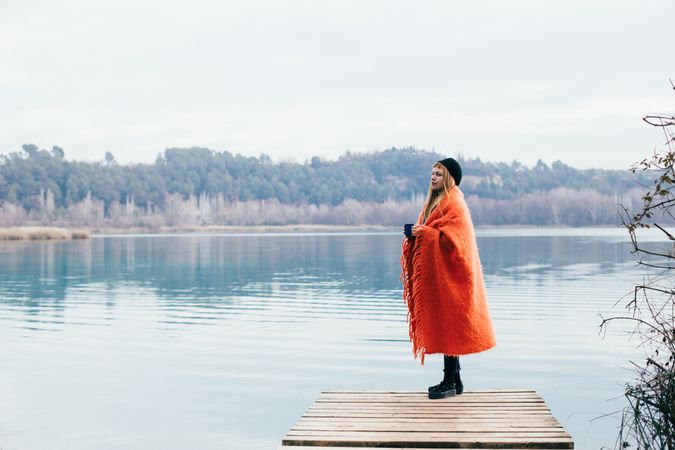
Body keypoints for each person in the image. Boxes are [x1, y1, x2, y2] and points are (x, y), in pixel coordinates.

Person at [400, 158, 496, 399]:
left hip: (457, 275)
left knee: (451, 326)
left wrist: (423, 232)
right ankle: (456, 381)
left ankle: (448, 383)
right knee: (447, 323)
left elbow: (454, 242)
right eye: (432, 173)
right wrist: (416, 234)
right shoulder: (435, 203)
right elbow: (435, 232)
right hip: (445, 276)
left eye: (439, 174)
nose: (433, 177)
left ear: (449, 179)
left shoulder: (455, 204)